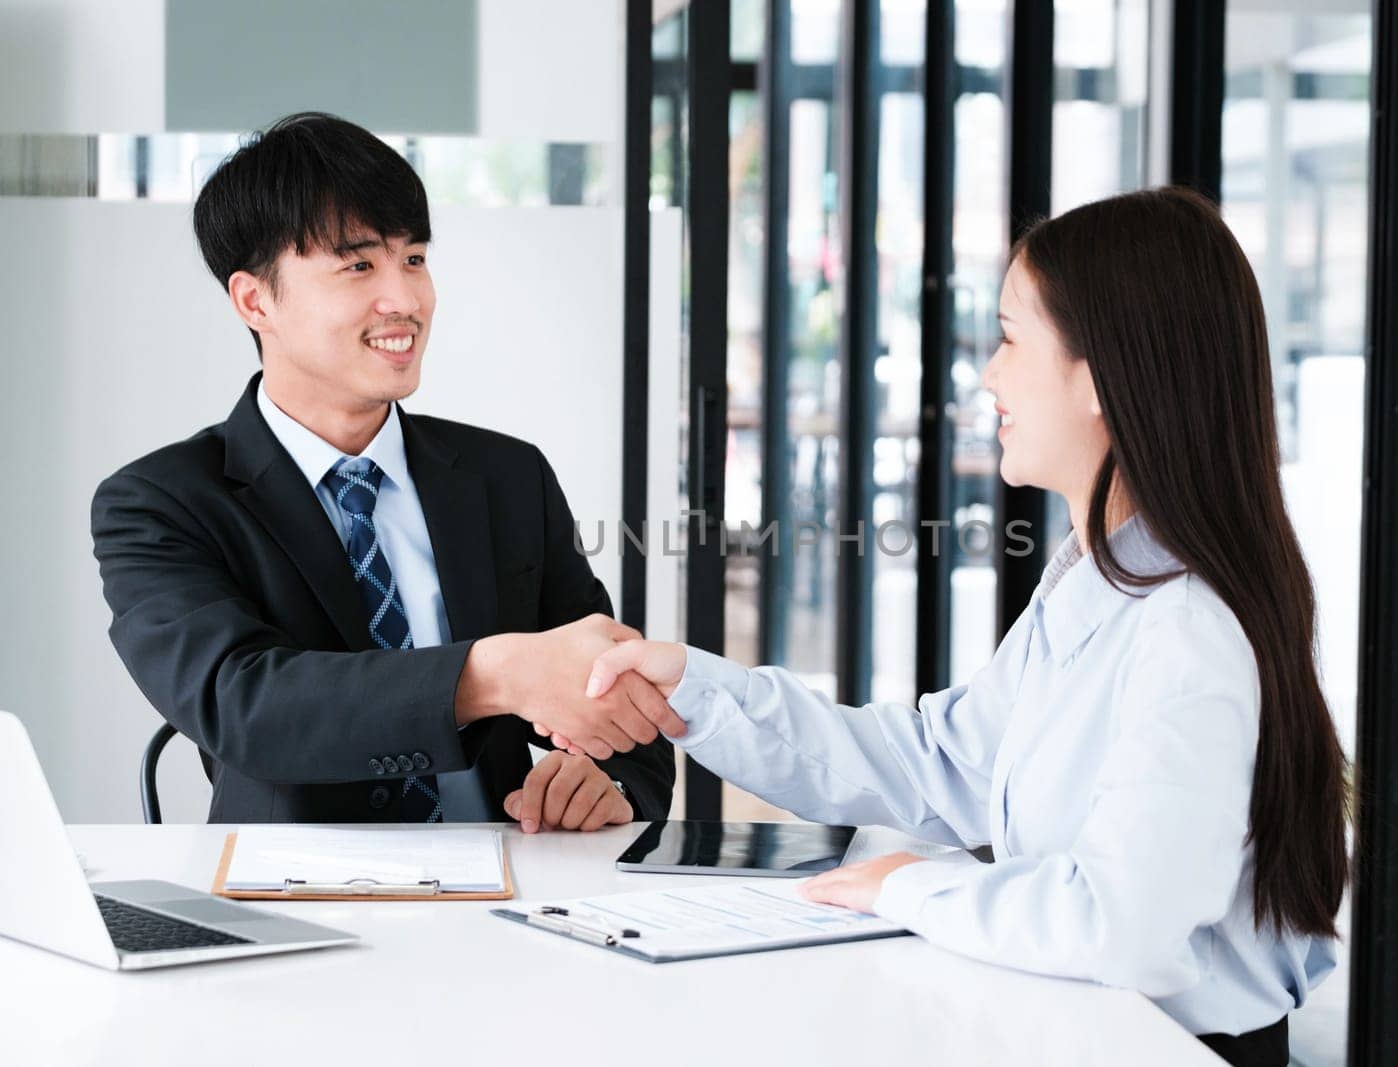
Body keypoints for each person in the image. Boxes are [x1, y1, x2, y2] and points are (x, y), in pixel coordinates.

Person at [529, 187, 1349, 1066]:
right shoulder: (1094, 582)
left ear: (1100, 377)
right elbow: (937, 761)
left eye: (1008, 338)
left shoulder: (1185, 630)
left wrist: (911, 887)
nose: (988, 374)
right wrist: (692, 686)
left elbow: (1124, 925)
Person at [90, 113, 673, 829]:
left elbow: (621, 700)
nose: (405, 299)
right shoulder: (159, 502)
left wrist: (605, 781)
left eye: (416, 259)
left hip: (510, 891)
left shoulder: (507, 476)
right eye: (359, 264)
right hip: (290, 904)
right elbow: (245, 704)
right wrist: (493, 674)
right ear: (255, 299)